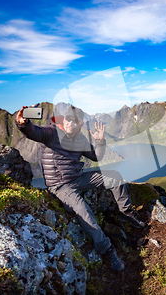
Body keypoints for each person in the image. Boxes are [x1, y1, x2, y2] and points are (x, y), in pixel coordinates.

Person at [15, 105, 145, 272]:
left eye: (75, 121)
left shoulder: (80, 138)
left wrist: (99, 141)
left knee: (114, 177)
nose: (70, 123)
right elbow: (34, 132)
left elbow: (97, 156)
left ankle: (126, 213)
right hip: (60, 185)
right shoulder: (52, 132)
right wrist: (23, 124)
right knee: (83, 210)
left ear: (80, 123)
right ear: (64, 119)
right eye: (68, 119)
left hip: (78, 177)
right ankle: (107, 250)